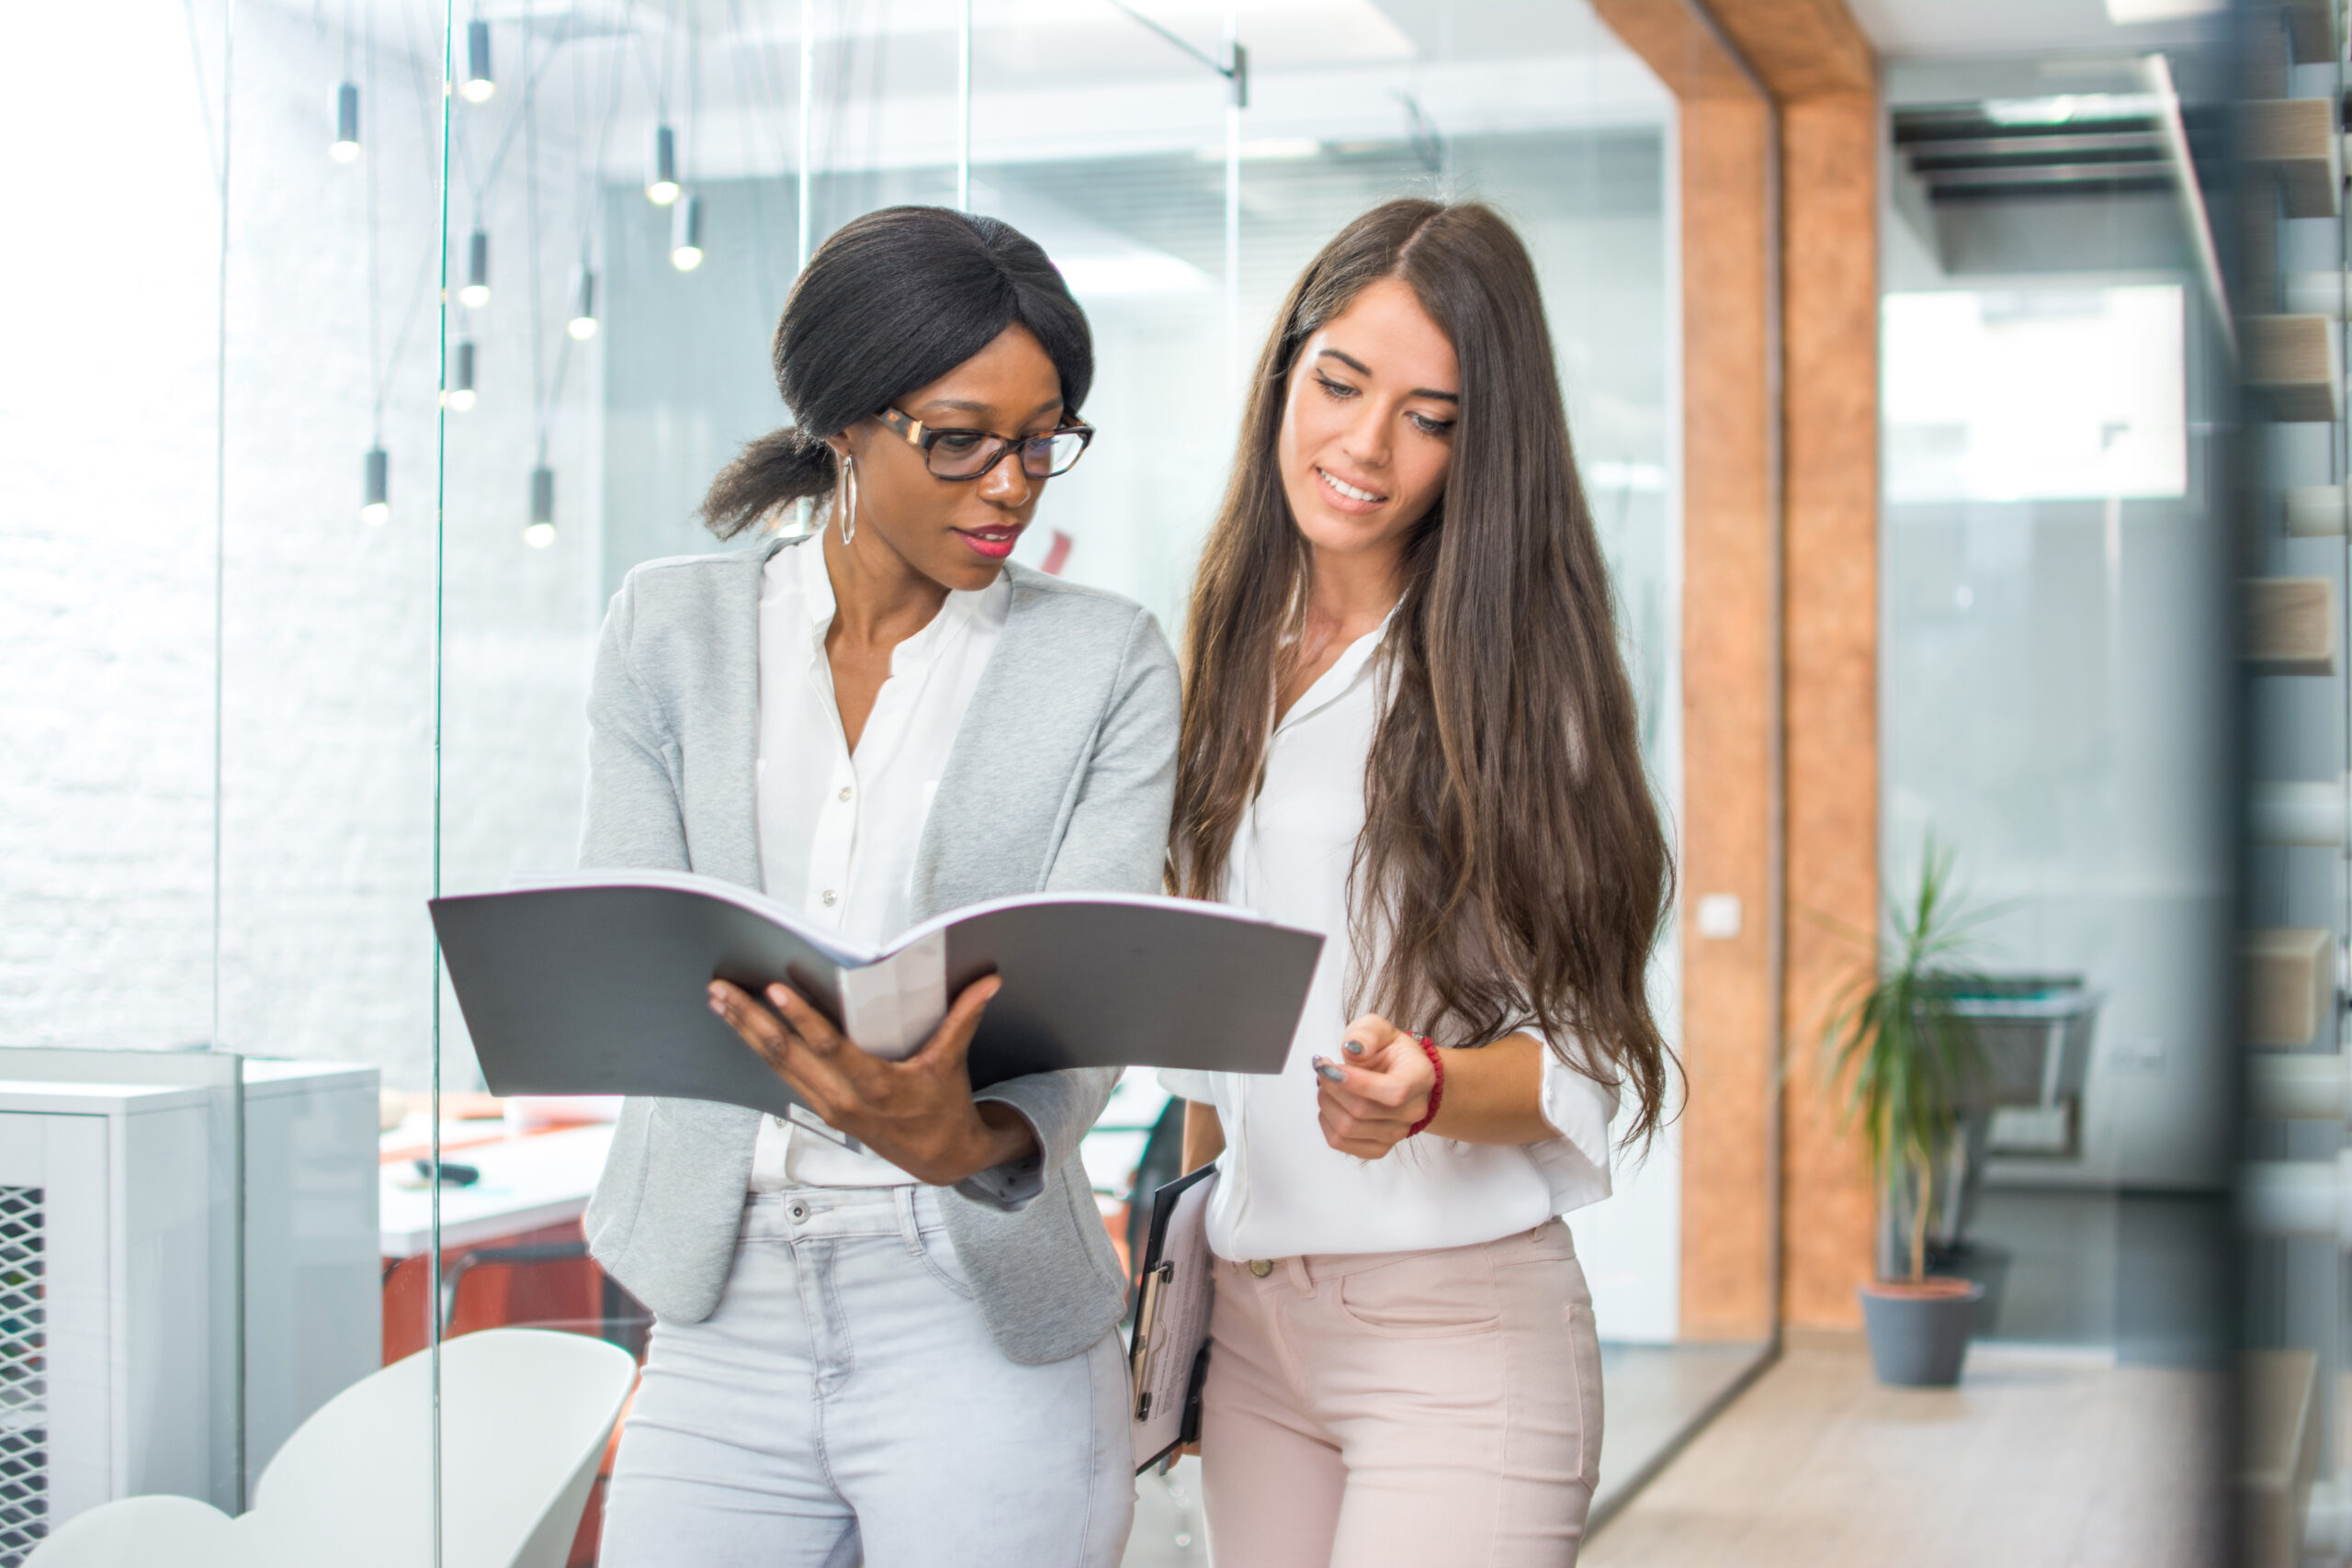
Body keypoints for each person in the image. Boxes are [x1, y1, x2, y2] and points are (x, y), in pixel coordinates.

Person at [583, 205, 1176, 1568]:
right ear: (844, 423)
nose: (1012, 486)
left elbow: (1088, 1007)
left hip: (972, 1299)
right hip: (721, 1297)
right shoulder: (666, 633)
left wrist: (966, 1139)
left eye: (1042, 442)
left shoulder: (1108, 661)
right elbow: (630, 936)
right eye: (960, 438)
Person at [1160, 197, 1676, 1567]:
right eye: (1339, 383)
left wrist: (1433, 1089)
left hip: (1458, 1332)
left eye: (1430, 417)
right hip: (1256, 1327)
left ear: (1480, 447)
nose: (1365, 447)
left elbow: (1587, 1057)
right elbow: (1219, 1034)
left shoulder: (1516, 688)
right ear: (1287, 367)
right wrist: (1184, 1291)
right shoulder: (1221, 656)